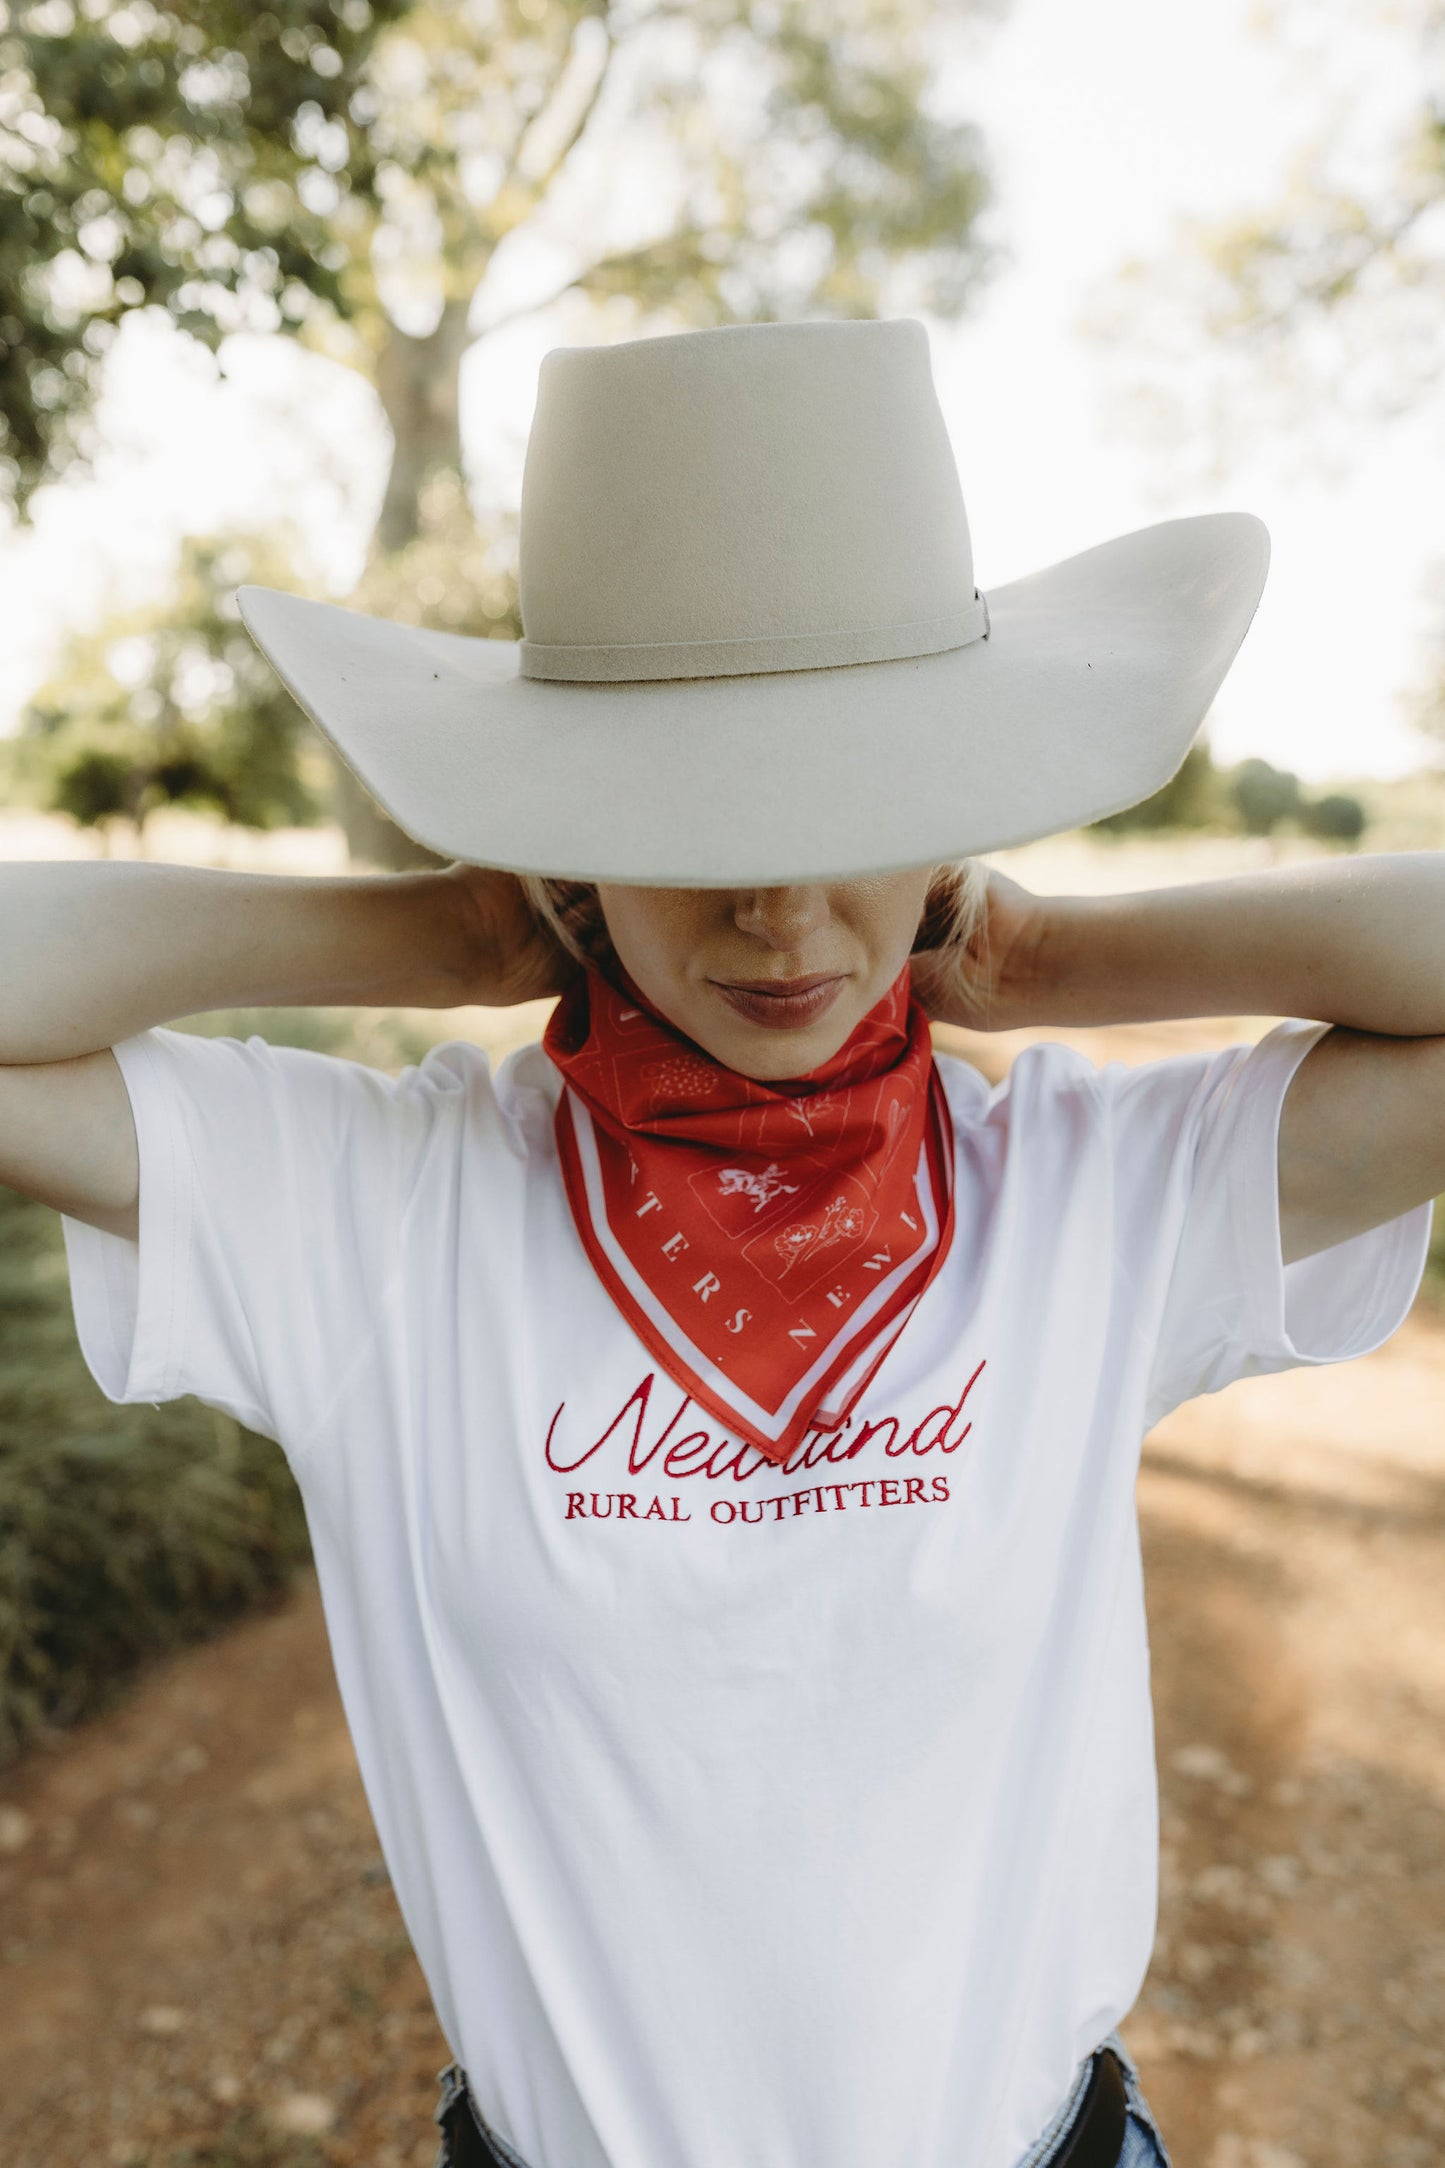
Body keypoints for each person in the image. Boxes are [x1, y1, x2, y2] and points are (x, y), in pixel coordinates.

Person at [1, 317, 1441, 2168]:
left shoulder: (1095, 1189)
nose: (775, 906)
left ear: (954, 829)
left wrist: (1041, 962)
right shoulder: (363, 1211)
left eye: (853, 808)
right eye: (682, 818)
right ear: (563, 844)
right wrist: (436, 942)